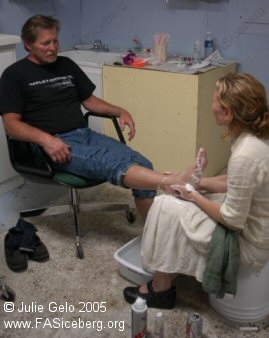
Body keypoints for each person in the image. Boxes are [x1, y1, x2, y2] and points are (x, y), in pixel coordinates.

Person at [0, 15, 200, 221]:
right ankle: (173, 181)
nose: (53, 47)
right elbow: (11, 125)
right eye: (45, 43)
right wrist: (46, 140)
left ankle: (151, 232)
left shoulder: (66, 64)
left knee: (143, 163)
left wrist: (120, 111)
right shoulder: (14, 75)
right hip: (52, 146)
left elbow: (89, 101)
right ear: (28, 45)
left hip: (84, 134)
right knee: (109, 161)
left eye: (55, 41)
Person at [123, 72, 269, 309]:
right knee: (184, 197)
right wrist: (197, 183)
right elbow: (236, 182)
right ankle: (168, 271)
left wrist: (192, 195)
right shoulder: (254, 138)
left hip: (249, 244)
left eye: (214, 100)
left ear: (229, 112)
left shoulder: (245, 153)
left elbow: (232, 220)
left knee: (165, 206)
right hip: (257, 225)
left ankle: (161, 289)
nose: (211, 106)